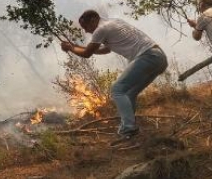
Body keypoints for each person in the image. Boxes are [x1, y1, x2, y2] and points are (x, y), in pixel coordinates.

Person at [61, 10, 168, 139]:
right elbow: (104, 50)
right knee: (129, 93)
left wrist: (71, 48)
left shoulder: (101, 29)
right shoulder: (115, 22)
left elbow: (87, 54)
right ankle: (129, 130)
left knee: (117, 89)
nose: (87, 31)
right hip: (159, 57)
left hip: (147, 56)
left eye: (87, 27)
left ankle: (128, 128)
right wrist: (76, 46)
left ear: (94, 19)